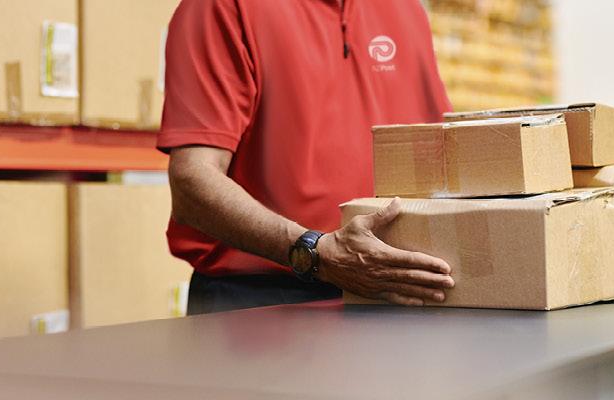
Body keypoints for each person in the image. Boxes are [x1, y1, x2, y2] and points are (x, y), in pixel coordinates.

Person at [160, 0, 456, 314]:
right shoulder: (222, 7)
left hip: (388, 291)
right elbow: (192, 182)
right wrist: (315, 251)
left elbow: (442, 156)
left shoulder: (405, 10)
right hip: (257, 305)